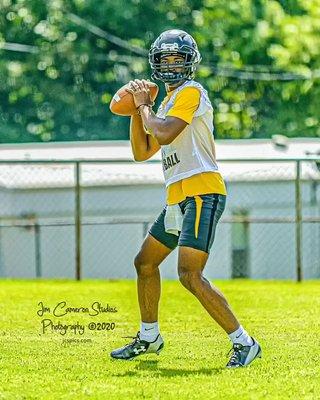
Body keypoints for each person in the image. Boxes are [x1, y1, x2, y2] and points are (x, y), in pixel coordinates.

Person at [110, 29, 261, 368]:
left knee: (190, 274)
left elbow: (163, 132)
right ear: (156, 63)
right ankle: (149, 336)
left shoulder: (191, 91)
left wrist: (144, 104)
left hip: (201, 191)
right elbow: (142, 150)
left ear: (190, 62)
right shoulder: (163, 103)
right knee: (145, 263)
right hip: (178, 196)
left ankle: (244, 342)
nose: (172, 65)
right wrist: (138, 111)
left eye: (179, 59)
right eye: (166, 59)